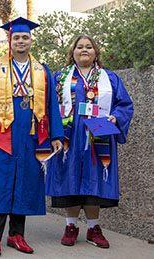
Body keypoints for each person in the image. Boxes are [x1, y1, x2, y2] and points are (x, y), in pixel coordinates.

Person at [0, 17, 64, 256]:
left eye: (25, 37)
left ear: (31, 40)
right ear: (9, 40)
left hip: (31, 137)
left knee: (24, 184)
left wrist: (56, 135)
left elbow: (52, 104)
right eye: (16, 37)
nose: (21, 41)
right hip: (2, 135)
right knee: (0, 184)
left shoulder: (42, 70)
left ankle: (16, 235)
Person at [46, 35, 134, 249]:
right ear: (72, 52)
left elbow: (124, 105)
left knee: (95, 179)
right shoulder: (60, 78)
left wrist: (115, 117)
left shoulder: (109, 78)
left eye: (89, 47)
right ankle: (71, 226)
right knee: (70, 176)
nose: (84, 50)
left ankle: (94, 228)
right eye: (79, 47)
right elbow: (48, 107)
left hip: (98, 136)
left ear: (96, 52)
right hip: (70, 138)